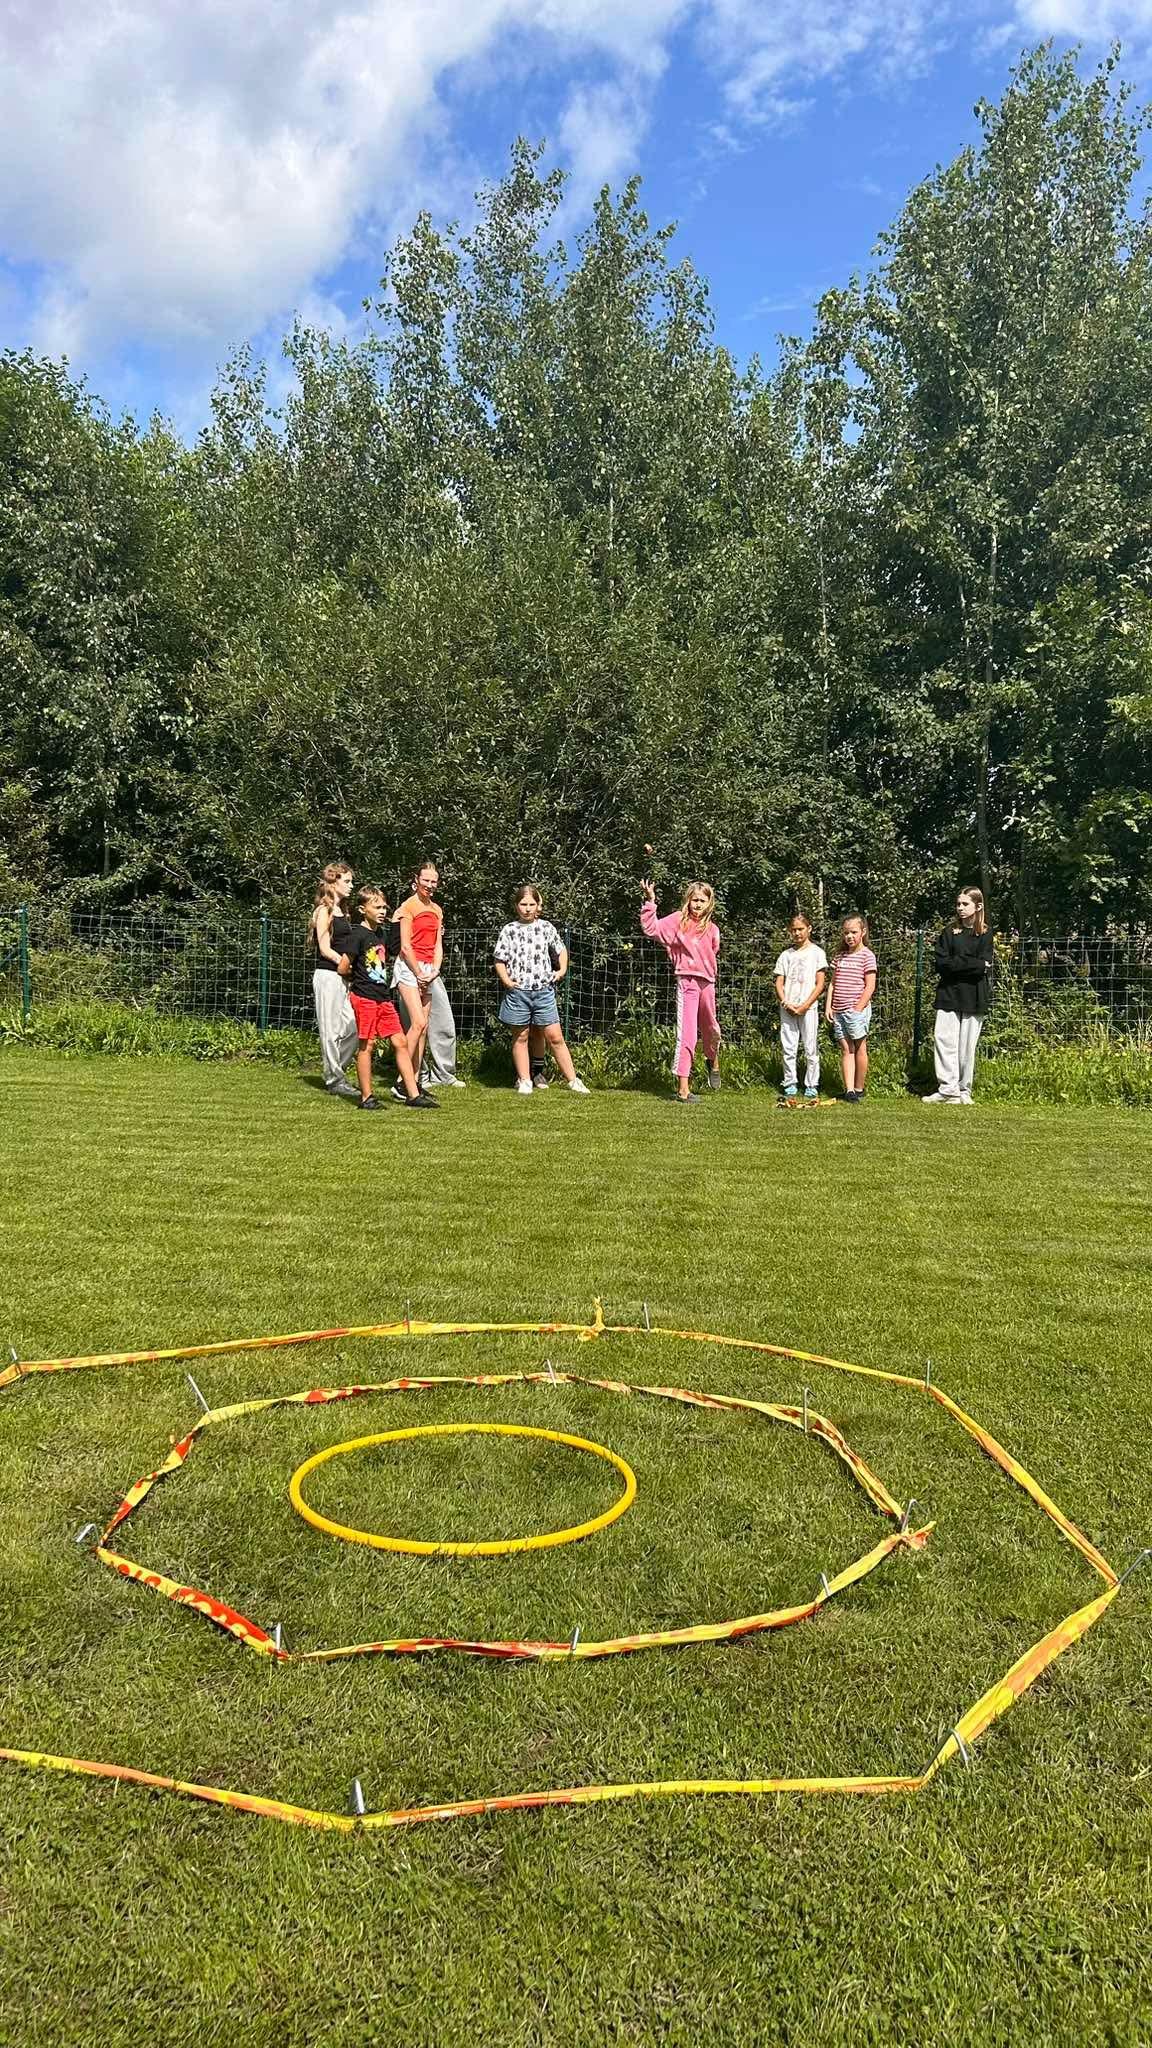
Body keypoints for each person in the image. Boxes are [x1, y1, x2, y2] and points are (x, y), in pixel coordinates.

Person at [338, 888, 439, 1112]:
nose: (382, 911)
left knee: (400, 1042)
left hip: (383, 998)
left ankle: (412, 1094)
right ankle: (366, 1097)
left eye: (384, 907)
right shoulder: (357, 935)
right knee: (367, 1045)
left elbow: (394, 949)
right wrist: (358, 980)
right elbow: (343, 967)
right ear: (362, 909)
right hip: (364, 997)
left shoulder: (381, 934)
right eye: (377, 907)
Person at [493, 886, 590, 1096]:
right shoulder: (509, 930)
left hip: (543, 991)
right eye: (523, 904)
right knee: (521, 1036)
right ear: (516, 906)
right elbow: (499, 959)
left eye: (531, 904)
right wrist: (507, 981)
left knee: (555, 1037)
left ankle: (573, 1080)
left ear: (538, 906)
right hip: (518, 992)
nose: (527, 908)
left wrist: (561, 970)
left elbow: (561, 950)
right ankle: (524, 1079)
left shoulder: (546, 927)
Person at [640, 879, 721, 1104]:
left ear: (709, 903)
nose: (698, 904)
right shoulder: (678, 921)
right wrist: (650, 901)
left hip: (708, 982)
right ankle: (683, 1089)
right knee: (687, 1034)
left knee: (711, 1029)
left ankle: (713, 1060)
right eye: (694, 900)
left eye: (702, 900)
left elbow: (713, 950)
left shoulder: (713, 929)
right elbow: (652, 929)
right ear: (688, 901)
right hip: (687, 982)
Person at [391, 861, 465, 1089]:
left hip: (427, 969)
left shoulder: (437, 910)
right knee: (418, 1023)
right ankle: (402, 1080)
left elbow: (437, 945)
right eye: (426, 880)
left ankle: (415, 1080)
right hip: (409, 967)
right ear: (416, 881)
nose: (430, 885)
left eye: (434, 881)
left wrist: (434, 970)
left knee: (422, 1029)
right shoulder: (408, 907)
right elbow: (405, 946)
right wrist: (418, 973)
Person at [924, 888, 994, 1105]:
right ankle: (948, 1090)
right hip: (948, 993)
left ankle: (964, 1091)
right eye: (958, 904)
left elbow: (985, 964)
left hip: (974, 996)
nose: (960, 908)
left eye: (965, 904)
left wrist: (961, 964)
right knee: (944, 1041)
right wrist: (974, 964)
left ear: (978, 906)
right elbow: (942, 964)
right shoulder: (948, 932)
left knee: (966, 1047)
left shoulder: (985, 933)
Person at [308, 861, 359, 1099]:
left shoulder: (344, 912)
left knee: (353, 1026)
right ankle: (334, 1079)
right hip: (328, 975)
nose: (351, 886)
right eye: (346, 881)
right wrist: (344, 964)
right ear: (333, 882)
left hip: (343, 977)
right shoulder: (324, 911)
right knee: (330, 1031)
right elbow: (325, 948)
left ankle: (337, 1071)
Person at [774, 912, 828, 1102]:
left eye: (801, 929)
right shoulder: (786, 955)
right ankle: (790, 1082)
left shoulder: (817, 953)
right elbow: (779, 982)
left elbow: (820, 984)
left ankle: (812, 1084)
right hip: (788, 1007)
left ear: (809, 929)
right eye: (794, 930)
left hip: (808, 1008)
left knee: (810, 1046)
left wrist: (806, 1005)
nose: (797, 933)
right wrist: (785, 1002)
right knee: (789, 1047)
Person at [825, 914, 878, 1104]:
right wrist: (829, 1006)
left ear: (863, 932)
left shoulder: (867, 956)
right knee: (846, 1049)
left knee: (860, 1046)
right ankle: (848, 1090)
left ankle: (859, 1088)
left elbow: (870, 986)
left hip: (856, 1010)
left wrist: (858, 1008)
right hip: (838, 1010)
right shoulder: (840, 956)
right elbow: (833, 983)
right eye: (846, 933)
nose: (849, 936)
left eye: (854, 932)